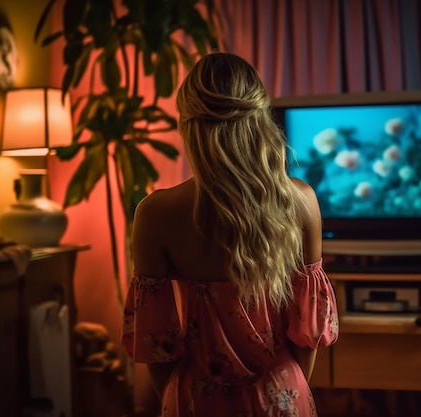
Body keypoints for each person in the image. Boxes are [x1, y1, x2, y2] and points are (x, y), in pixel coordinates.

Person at [121, 52, 339, 417]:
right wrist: (287, 392)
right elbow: (307, 334)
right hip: (281, 395)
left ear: (187, 124)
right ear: (260, 120)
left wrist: (180, 397)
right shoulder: (301, 201)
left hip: (195, 399)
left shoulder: (155, 213)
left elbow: (156, 345)